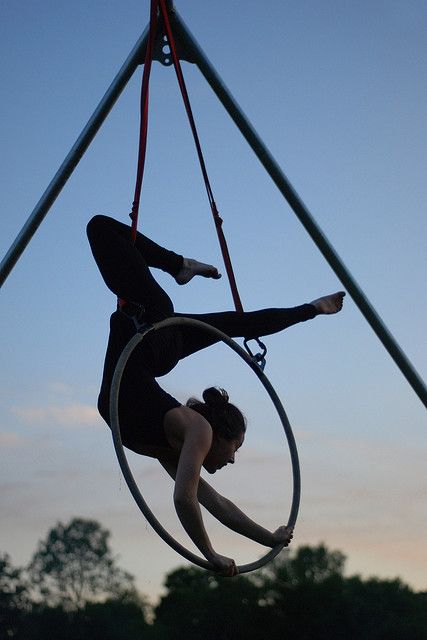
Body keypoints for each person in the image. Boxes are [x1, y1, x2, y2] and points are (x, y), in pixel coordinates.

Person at [87, 214, 345, 577]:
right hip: (149, 327)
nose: (234, 459)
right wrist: (210, 554)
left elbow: (215, 504)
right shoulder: (198, 431)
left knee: (234, 324)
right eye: (236, 447)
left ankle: (182, 267)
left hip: (145, 339)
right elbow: (184, 500)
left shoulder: (174, 445)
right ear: (219, 434)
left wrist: (268, 538)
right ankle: (181, 266)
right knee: (100, 227)